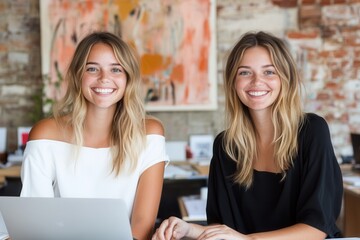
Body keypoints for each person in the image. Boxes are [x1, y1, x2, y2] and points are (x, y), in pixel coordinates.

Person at [152, 31, 343, 240]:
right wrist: (188, 229)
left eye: (269, 72)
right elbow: (223, 231)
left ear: (285, 78)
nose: (257, 81)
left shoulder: (312, 131)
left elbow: (316, 227)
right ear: (233, 81)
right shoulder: (225, 146)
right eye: (245, 73)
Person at [20, 31, 168, 240]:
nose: (104, 79)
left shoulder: (149, 134)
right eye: (92, 68)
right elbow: (35, 225)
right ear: (78, 74)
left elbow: (141, 228)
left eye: (116, 69)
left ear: (128, 78)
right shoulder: (45, 134)